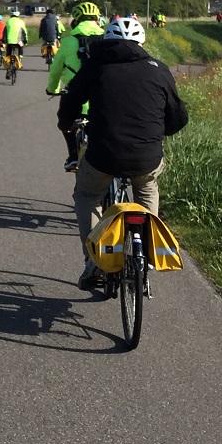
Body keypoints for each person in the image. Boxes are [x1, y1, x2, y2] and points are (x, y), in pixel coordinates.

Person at [57, 16, 188, 290]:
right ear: (141, 42)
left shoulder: (95, 67)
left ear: (107, 40)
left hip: (103, 156)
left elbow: (70, 102)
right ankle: (147, 254)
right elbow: (177, 115)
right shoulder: (158, 69)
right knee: (147, 188)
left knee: (87, 195)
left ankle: (94, 261)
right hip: (146, 156)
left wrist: (66, 124)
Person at [45, 1, 104, 171]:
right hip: (103, 98)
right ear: (97, 19)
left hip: (77, 99)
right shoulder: (108, 38)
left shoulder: (69, 41)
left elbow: (55, 70)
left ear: (75, 21)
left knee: (65, 122)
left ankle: (72, 156)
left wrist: (53, 89)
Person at [2, 10, 28, 79]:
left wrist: (4, 40)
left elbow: (4, 32)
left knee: (8, 55)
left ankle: (8, 71)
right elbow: (24, 32)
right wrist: (25, 40)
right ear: (18, 15)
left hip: (9, 41)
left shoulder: (8, 22)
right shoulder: (21, 22)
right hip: (18, 41)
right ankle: (20, 60)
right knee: (21, 49)